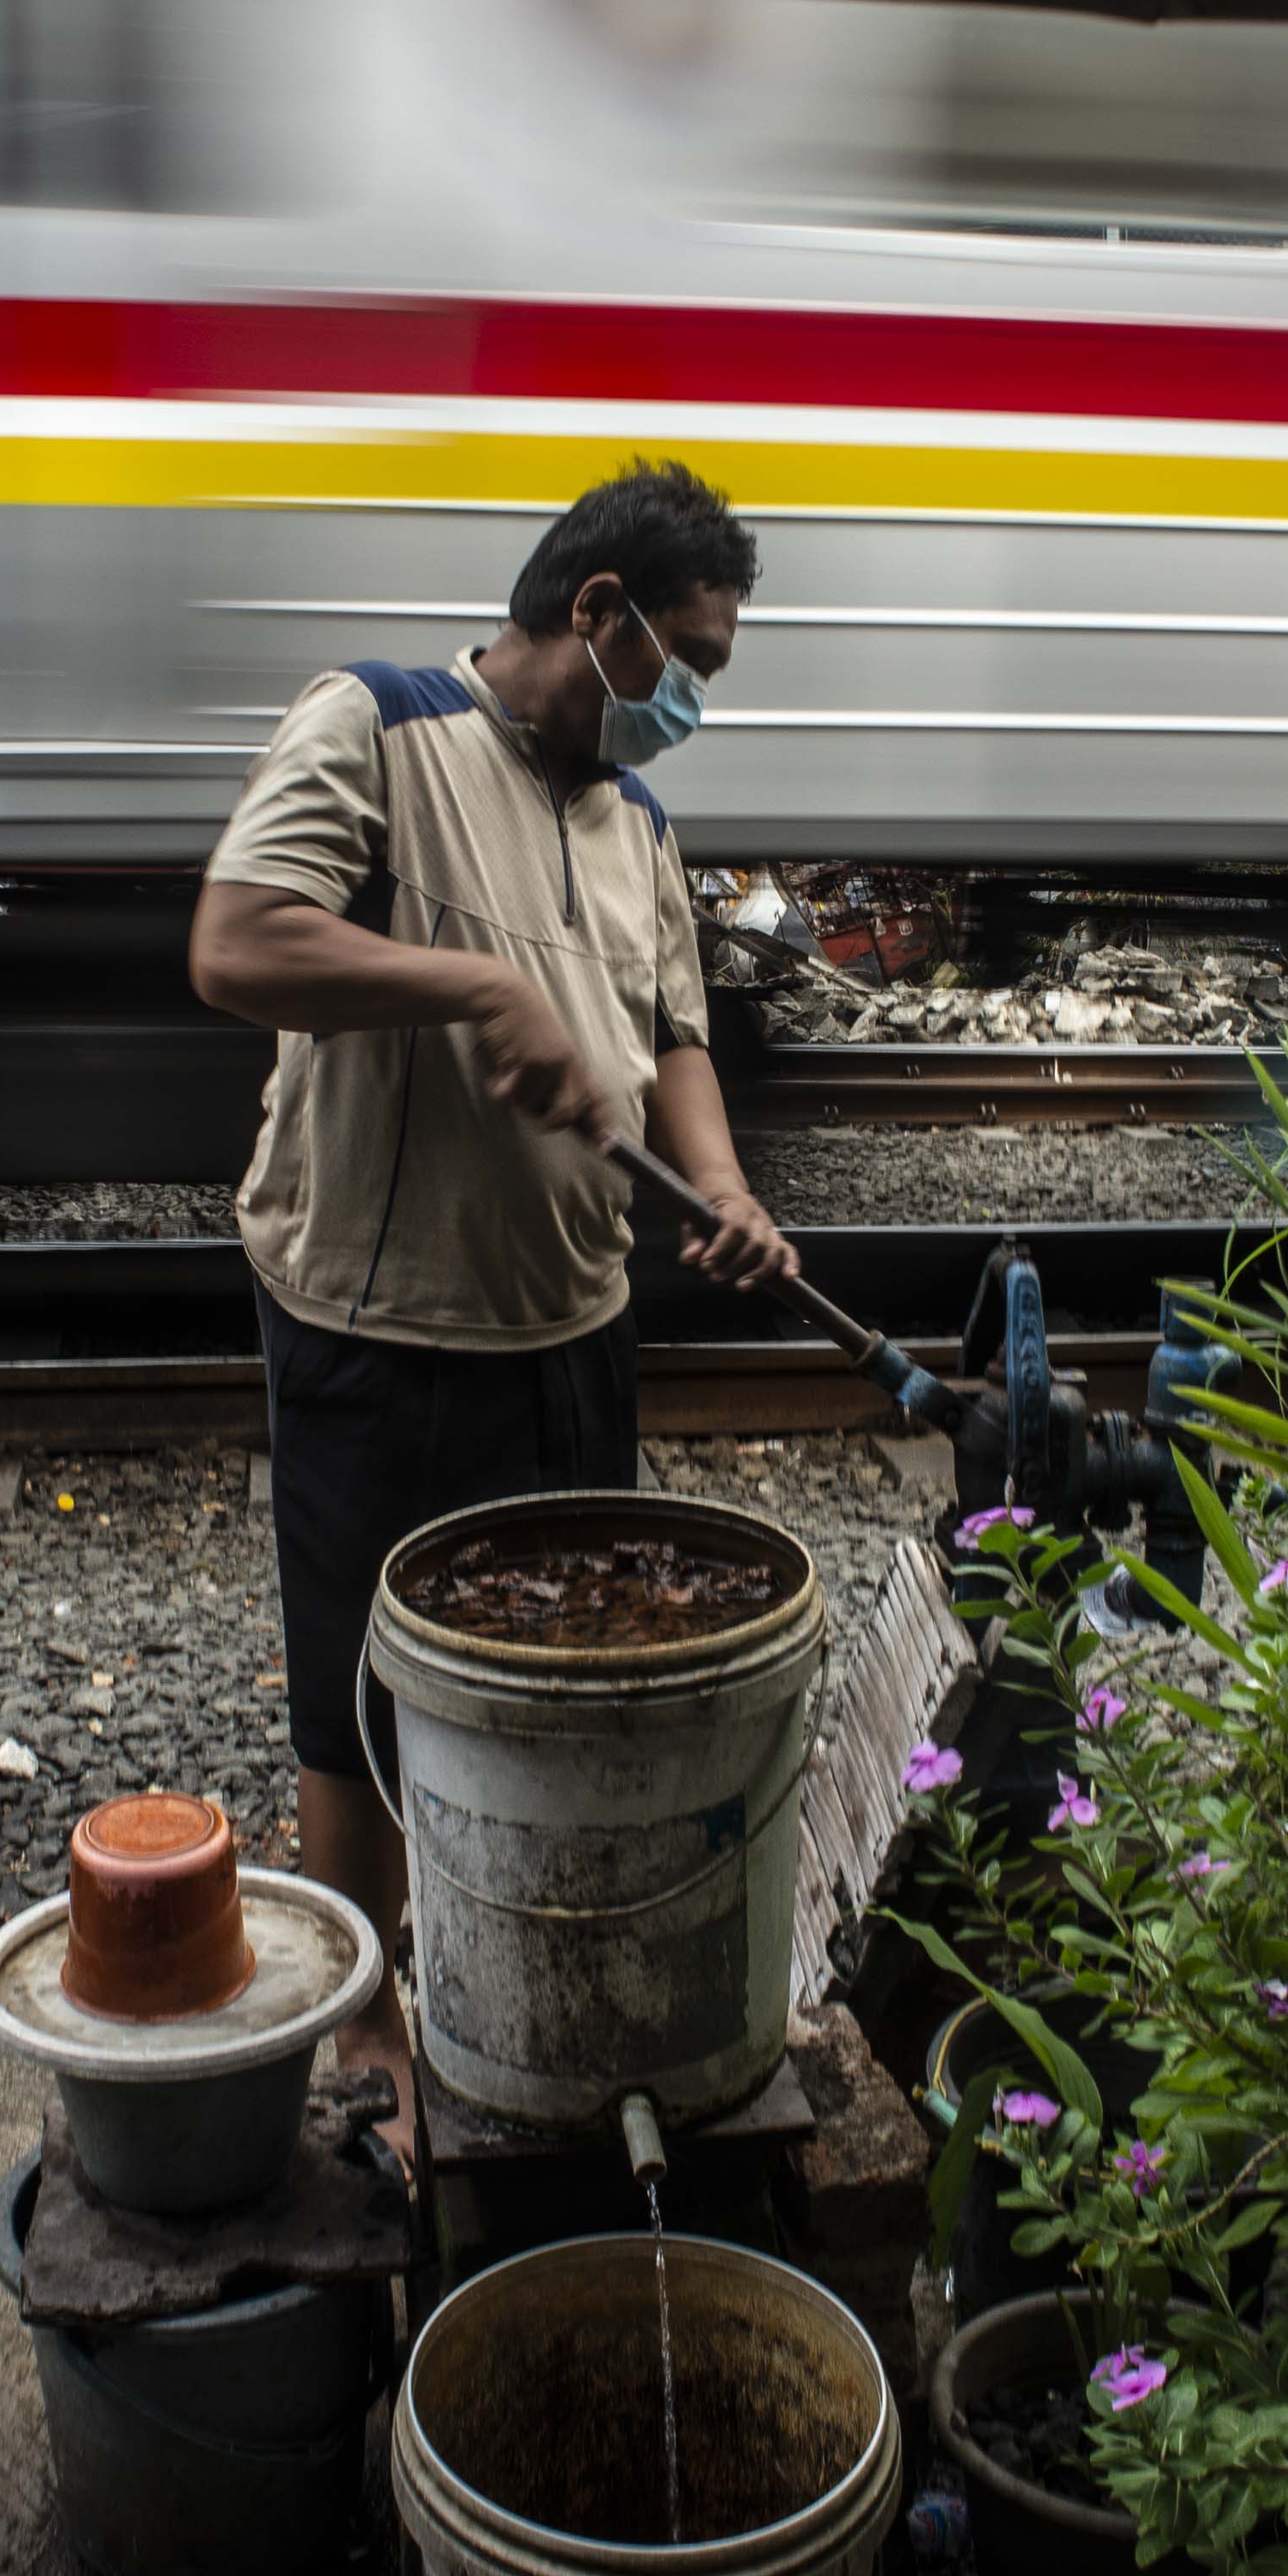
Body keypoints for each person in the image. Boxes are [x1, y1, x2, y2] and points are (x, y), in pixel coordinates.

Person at [189, 460, 799, 2141]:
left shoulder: (643, 825)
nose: (687, 702)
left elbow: (673, 1036)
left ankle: (513, 1949)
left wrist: (725, 1190)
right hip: (377, 1321)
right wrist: (465, 983)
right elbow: (238, 941)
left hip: (573, 1320)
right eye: (684, 657)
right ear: (592, 612)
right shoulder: (376, 728)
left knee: (557, 1669)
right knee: (357, 1682)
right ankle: (371, 2002)